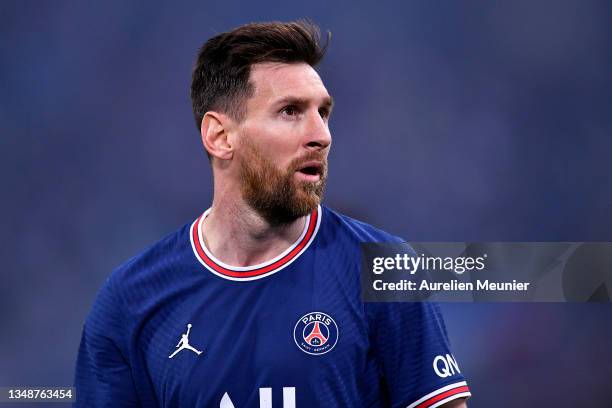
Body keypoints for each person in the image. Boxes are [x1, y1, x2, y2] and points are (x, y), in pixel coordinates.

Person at [74, 20, 471, 407]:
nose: (322, 135)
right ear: (220, 136)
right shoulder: (131, 300)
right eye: (290, 111)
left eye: (324, 112)